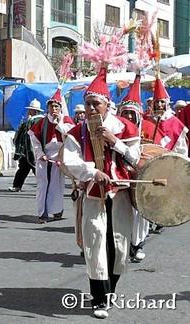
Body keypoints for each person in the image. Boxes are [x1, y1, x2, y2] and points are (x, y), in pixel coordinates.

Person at [63, 67, 141, 319]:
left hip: (120, 194)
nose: (91, 109)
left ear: (107, 105)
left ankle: (110, 291)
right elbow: (69, 161)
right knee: (95, 242)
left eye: (95, 104)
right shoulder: (77, 131)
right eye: (87, 104)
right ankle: (99, 299)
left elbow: (136, 158)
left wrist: (113, 141)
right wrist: (92, 171)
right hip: (94, 193)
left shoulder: (126, 128)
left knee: (118, 244)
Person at [117, 74, 157, 263]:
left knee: (141, 214)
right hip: (120, 179)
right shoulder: (114, 129)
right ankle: (123, 246)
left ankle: (138, 244)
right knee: (122, 214)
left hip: (142, 178)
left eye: (132, 113)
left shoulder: (150, 127)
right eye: (125, 113)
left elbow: (161, 151)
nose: (129, 116)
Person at [28, 88, 75, 223]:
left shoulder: (65, 120)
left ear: (60, 108)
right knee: (43, 185)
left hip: (60, 157)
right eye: (51, 106)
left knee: (57, 185)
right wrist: (40, 154)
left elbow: (71, 134)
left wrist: (59, 123)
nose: (53, 109)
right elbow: (35, 140)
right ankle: (42, 213)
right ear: (47, 108)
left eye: (56, 106)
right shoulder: (42, 122)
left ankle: (57, 210)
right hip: (45, 157)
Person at [8, 99, 44, 192]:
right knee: (25, 169)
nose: (29, 111)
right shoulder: (42, 120)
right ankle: (17, 186)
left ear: (34, 111)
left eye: (30, 110)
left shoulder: (32, 121)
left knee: (34, 169)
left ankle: (18, 186)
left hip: (30, 149)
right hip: (33, 149)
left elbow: (25, 135)